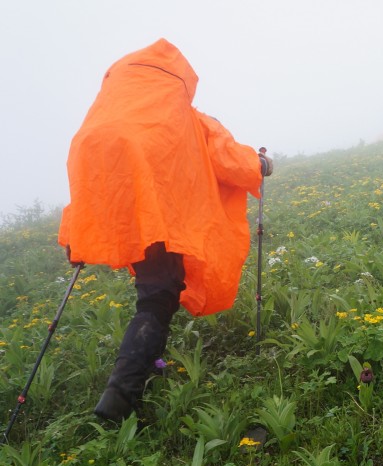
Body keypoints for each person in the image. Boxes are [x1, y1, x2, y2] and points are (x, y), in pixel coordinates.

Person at [58, 38, 272, 421]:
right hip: (158, 217)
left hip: (121, 210)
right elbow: (230, 160)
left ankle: (147, 372)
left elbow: (87, 185)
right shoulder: (186, 120)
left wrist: (77, 232)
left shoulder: (102, 123)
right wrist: (260, 164)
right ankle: (121, 395)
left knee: (154, 289)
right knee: (158, 296)